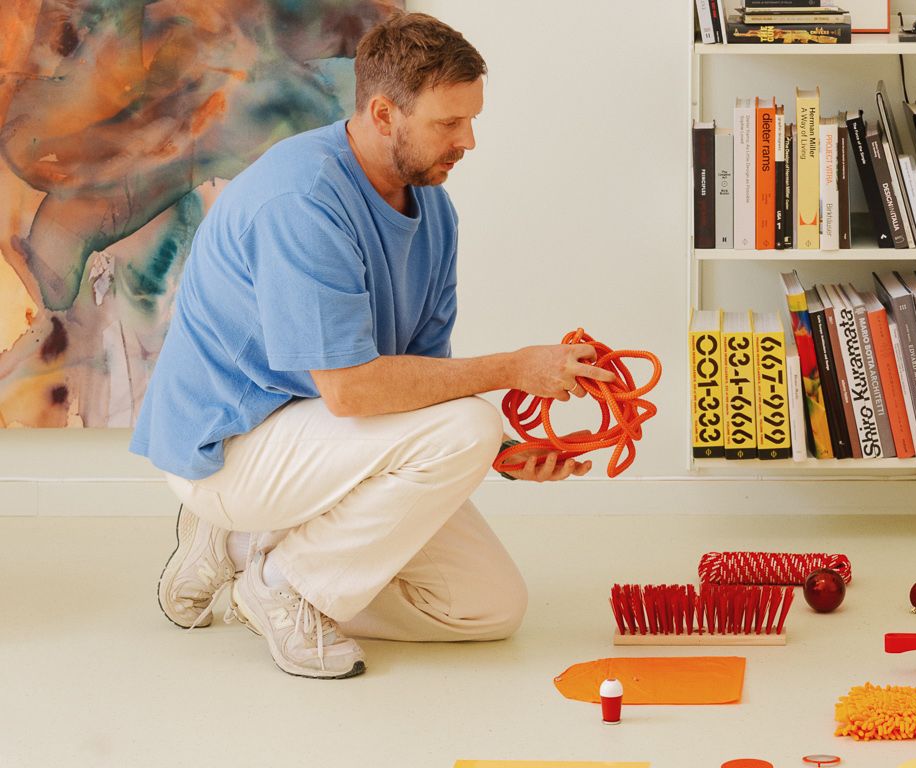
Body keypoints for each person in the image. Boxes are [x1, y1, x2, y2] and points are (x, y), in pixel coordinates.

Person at [129, 12, 613, 680]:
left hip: (323, 444)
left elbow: (420, 389)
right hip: (228, 450)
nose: (469, 140)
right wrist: (512, 371)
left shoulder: (433, 210)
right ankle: (286, 584)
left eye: (472, 120)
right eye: (450, 123)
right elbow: (353, 391)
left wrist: (505, 455)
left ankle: (253, 560)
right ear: (384, 112)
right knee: (470, 421)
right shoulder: (300, 199)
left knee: (488, 608)